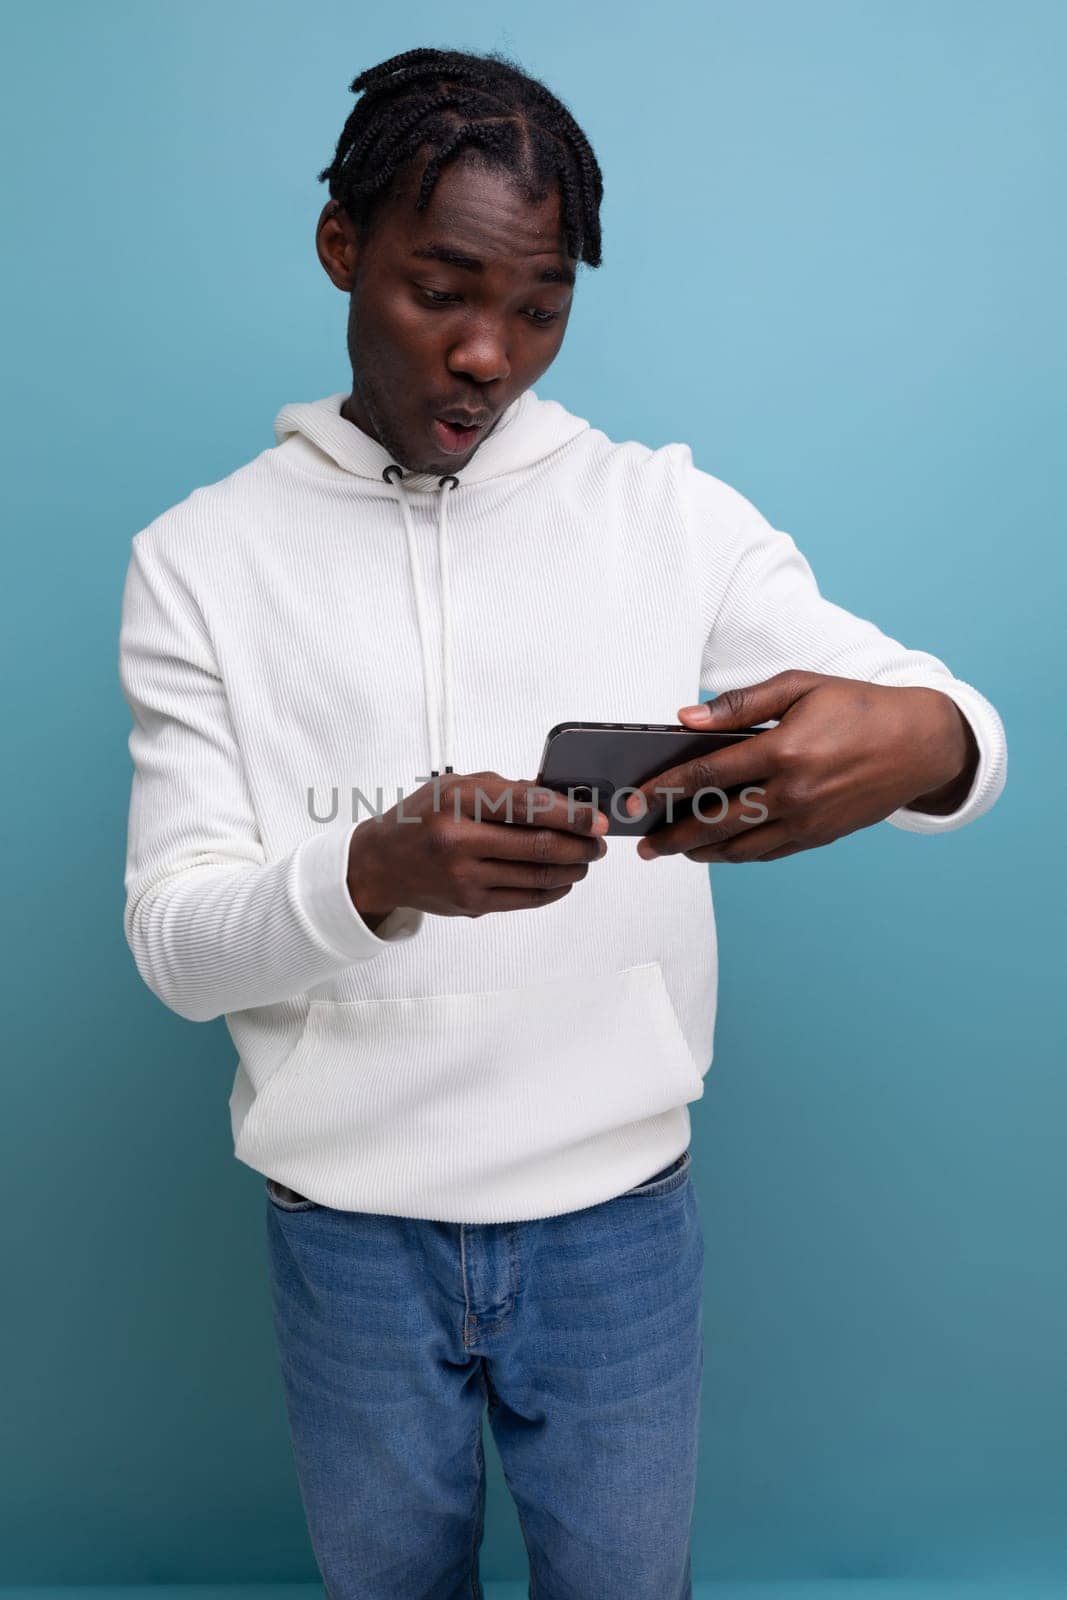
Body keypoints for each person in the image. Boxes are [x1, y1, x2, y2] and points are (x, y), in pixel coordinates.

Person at [117, 45, 1008, 1600]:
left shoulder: (666, 514)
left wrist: (924, 743)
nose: (489, 355)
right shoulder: (197, 562)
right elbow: (176, 948)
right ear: (342, 249)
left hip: (619, 1228)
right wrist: (371, 870)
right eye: (441, 291)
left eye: (538, 308)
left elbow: (947, 719)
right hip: (348, 1235)